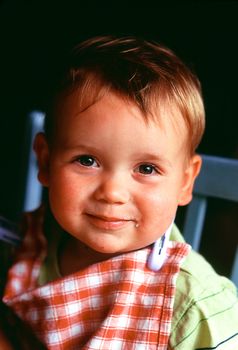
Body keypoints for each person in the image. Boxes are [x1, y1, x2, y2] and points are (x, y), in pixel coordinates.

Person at [1, 35, 238, 349]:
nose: (112, 193)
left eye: (147, 168)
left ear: (184, 182)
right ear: (45, 162)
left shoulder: (193, 306)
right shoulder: (36, 241)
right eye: (87, 160)